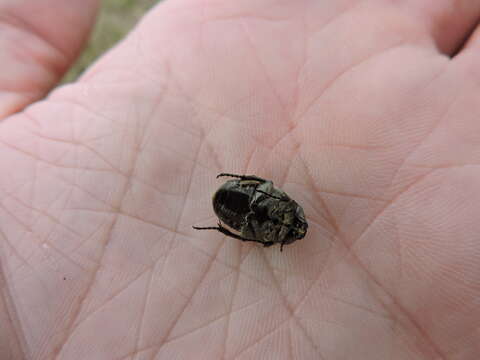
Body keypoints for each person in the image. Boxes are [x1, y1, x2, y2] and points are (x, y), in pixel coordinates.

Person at [1, 0, 479, 359]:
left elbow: (259, 208)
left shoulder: (276, 219)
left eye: (291, 228)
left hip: (237, 206)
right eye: (293, 226)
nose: (294, 226)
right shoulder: (278, 220)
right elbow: (260, 208)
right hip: (235, 205)